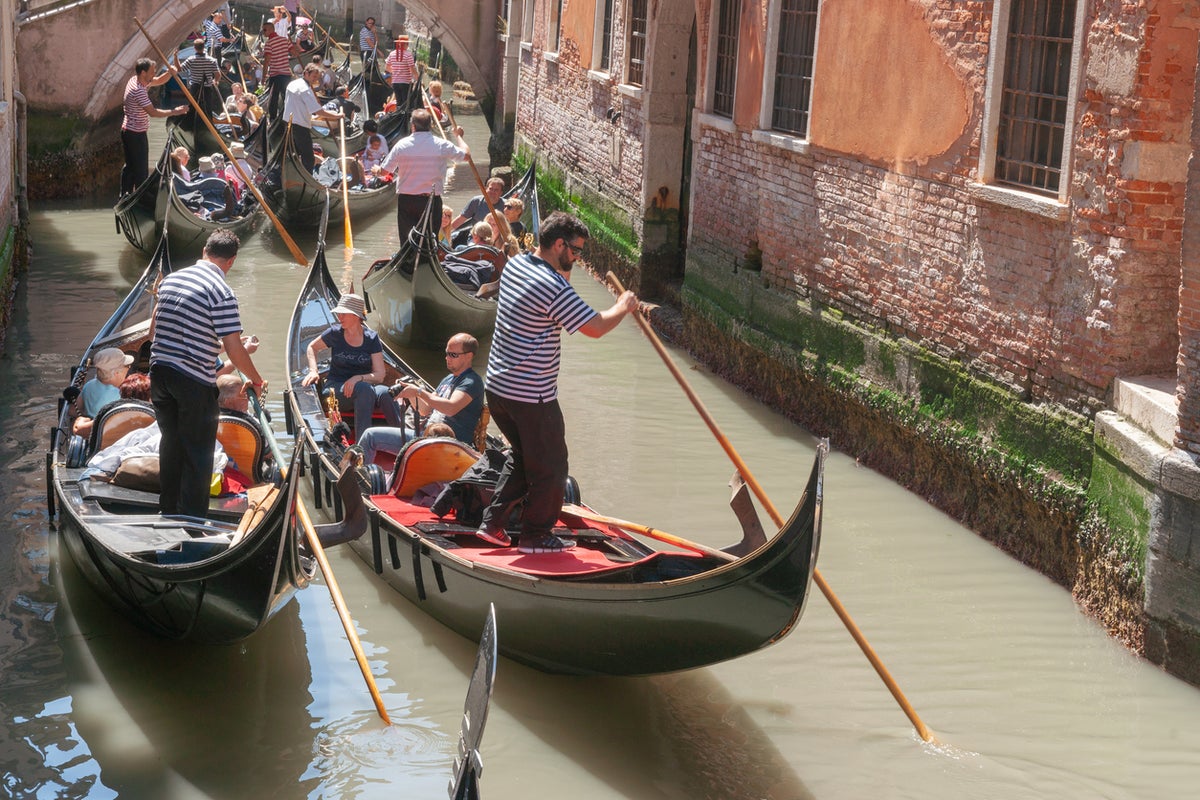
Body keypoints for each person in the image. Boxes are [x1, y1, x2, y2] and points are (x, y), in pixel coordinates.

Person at [474, 212, 638, 553]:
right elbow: (595, 327)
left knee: (524, 456)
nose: (577, 258)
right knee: (552, 467)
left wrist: (568, 265)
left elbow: (560, 291)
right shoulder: (553, 287)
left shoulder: (516, 265)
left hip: (499, 388)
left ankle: (492, 524)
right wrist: (623, 306)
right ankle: (535, 535)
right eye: (575, 251)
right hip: (531, 395)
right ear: (559, 244)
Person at [149, 229, 266, 517]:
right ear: (232, 261)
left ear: (204, 251)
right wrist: (256, 380)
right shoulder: (222, 292)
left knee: (171, 442)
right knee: (199, 452)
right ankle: (192, 520)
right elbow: (234, 348)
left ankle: (168, 510)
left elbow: (153, 333)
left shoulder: (171, 280)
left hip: (159, 373)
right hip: (192, 380)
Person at [357, 333, 485, 465]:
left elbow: (450, 408)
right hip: (425, 438)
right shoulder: (448, 379)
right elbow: (425, 410)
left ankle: (358, 473)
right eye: (447, 353)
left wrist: (419, 391)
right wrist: (411, 393)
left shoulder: (471, 382)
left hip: (449, 445)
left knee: (370, 436)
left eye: (453, 355)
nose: (447, 358)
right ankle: (360, 472)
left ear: (469, 356)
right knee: (369, 435)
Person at [301, 293, 401, 443]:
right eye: (339, 313)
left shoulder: (371, 338)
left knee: (387, 393)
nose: (339, 317)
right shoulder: (335, 333)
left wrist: (358, 378)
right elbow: (312, 347)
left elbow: (380, 375)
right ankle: (362, 446)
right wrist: (313, 371)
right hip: (336, 388)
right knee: (364, 389)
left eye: (343, 313)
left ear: (356, 316)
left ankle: (404, 440)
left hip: (365, 387)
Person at [380, 108, 468, 244]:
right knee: (430, 242)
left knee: (407, 242)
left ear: (412, 126)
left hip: (407, 201)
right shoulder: (441, 144)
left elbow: (384, 172)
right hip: (431, 201)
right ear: (431, 125)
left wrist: (376, 170)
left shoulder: (401, 145)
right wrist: (459, 136)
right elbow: (466, 155)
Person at [121, 59, 187, 195]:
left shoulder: (136, 79)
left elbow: (158, 80)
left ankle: (125, 194)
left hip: (128, 131)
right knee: (140, 169)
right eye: (152, 72)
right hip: (135, 134)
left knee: (130, 166)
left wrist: (169, 73)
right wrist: (175, 111)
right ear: (143, 73)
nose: (154, 74)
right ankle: (140, 196)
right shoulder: (138, 90)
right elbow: (153, 112)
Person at [283, 63, 344, 174]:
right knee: (308, 157)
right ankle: (307, 178)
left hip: (287, 122)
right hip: (299, 125)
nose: (315, 80)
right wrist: (338, 116)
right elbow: (318, 111)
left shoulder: (293, 83)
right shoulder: (305, 90)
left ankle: (293, 173)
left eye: (317, 77)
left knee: (293, 152)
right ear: (306, 73)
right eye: (314, 77)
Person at [72, 347, 135, 437]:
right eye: (127, 366)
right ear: (116, 373)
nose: (129, 368)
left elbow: (74, 410)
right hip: (109, 434)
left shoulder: (88, 385)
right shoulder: (120, 394)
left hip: (90, 431)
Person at [261, 20, 298, 121]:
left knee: (273, 98)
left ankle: (273, 118)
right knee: (286, 96)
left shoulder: (269, 43)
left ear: (270, 30)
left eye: (264, 30)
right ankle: (288, 117)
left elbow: (267, 61)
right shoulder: (285, 40)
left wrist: (263, 77)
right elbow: (294, 53)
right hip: (286, 74)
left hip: (275, 75)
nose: (263, 32)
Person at [180, 44, 222, 117]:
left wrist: (175, 57)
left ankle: (191, 118)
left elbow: (180, 69)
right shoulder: (212, 60)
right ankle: (208, 119)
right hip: (207, 88)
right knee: (208, 107)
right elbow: (218, 75)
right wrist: (215, 81)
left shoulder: (191, 59)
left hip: (195, 87)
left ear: (195, 48)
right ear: (203, 47)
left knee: (192, 107)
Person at [383, 35, 416, 110]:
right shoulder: (408, 55)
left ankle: (399, 113)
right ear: (406, 44)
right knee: (406, 103)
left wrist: (395, 72)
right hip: (406, 83)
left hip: (395, 83)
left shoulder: (392, 54)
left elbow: (387, 68)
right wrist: (417, 79)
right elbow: (412, 69)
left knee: (399, 103)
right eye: (407, 44)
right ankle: (404, 114)